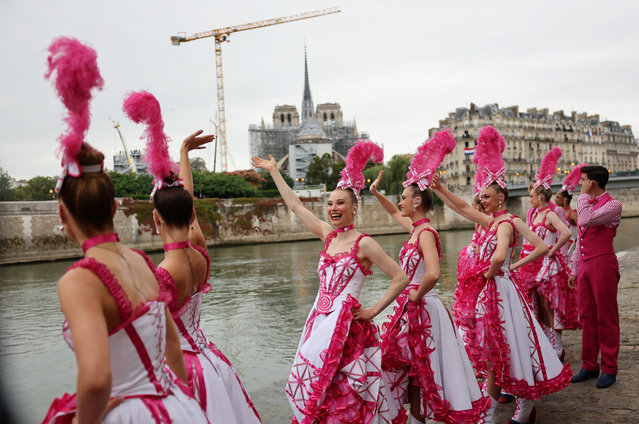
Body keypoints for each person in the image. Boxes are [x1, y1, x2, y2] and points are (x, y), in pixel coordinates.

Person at [42, 37, 207, 423]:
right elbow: (171, 346)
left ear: (63, 217)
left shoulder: (78, 280)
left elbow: (97, 379)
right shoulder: (140, 261)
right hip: (174, 404)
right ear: (115, 207)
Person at [123, 90, 262, 423]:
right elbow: (189, 201)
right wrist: (183, 153)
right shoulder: (199, 249)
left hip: (184, 370)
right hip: (211, 362)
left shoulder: (160, 275)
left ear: (155, 219)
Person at [252, 139, 409, 424]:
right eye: (330, 204)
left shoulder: (365, 244)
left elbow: (400, 278)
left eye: (340, 203)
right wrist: (275, 170)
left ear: (354, 207)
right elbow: (295, 205)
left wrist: (373, 311)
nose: (333, 208)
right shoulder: (328, 235)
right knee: (316, 386)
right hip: (319, 322)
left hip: (348, 329)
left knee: (347, 390)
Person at [430, 126, 572, 424]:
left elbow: (520, 250)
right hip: (492, 291)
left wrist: (501, 268)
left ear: (500, 198)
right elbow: (462, 208)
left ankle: (511, 408)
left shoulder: (507, 223)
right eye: (481, 197)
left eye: (485, 196)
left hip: (500, 292)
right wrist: (440, 189)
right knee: (500, 348)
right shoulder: (490, 221)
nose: (480, 201)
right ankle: (514, 406)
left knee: (509, 346)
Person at [370, 130, 489, 424]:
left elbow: (434, 274)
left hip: (422, 305)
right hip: (410, 306)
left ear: (418, 201)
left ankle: (421, 417)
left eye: (404, 197)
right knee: (410, 364)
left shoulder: (425, 233)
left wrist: (414, 294)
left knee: (427, 365)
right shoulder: (415, 230)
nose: (401, 202)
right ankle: (415, 418)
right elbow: (393, 213)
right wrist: (375, 193)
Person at [516, 147, 577, 360]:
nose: (529, 198)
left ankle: (556, 345)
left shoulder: (551, 213)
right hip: (530, 264)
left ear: (540, 196)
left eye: (532, 195)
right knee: (536, 305)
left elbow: (567, 233)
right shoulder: (532, 213)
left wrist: (551, 250)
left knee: (549, 304)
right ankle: (543, 340)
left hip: (546, 266)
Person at [568, 165, 622, 389]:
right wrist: (574, 269)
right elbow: (580, 239)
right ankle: (590, 365)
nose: (581, 184)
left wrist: (581, 197)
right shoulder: (587, 205)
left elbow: (585, 221)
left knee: (606, 317)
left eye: (583, 180)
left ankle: (609, 367)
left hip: (603, 263)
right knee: (587, 317)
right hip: (586, 265)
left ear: (593, 182)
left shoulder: (613, 205)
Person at [554, 164, 588, 258]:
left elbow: (583, 231)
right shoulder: (555, 213)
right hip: (557, 247)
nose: (555, 200)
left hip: (570, 249)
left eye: (557, 197)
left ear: (565, 199)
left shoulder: (572, 214)